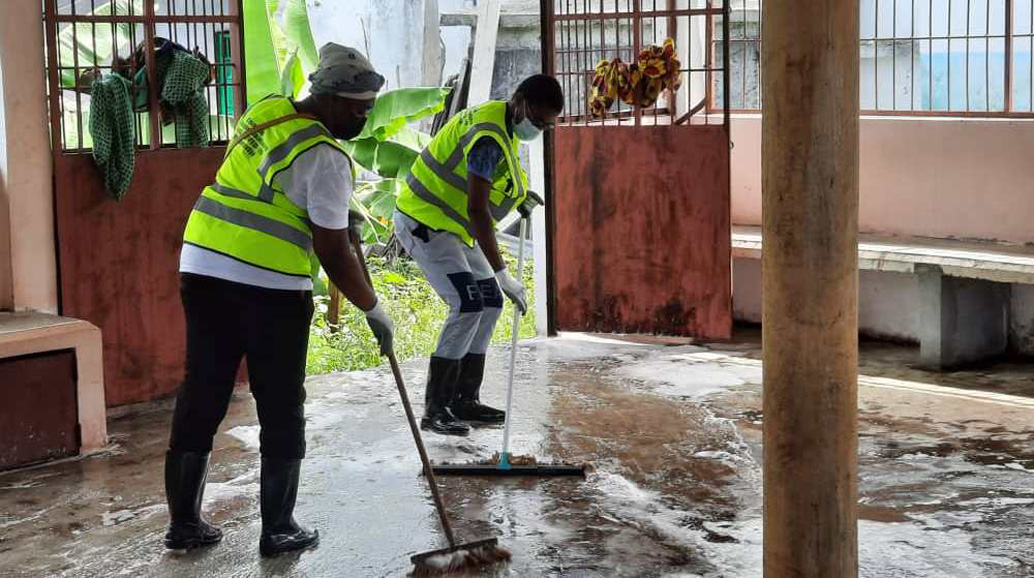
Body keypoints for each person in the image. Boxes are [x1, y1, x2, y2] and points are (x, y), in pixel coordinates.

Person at [164, 43, 394, 557]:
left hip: (201, 265)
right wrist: (373, 307)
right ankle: (279, 529)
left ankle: (184, 527)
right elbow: (332, 251)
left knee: (202, 392)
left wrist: (334, 213)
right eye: (357, 107)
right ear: (331, 98)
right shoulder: (328, 157)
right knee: (281, 405)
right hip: (268, 287)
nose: (363, 116)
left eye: (369, 107)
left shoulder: (266, 109)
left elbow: (265, 184)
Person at [393, 74, 563, 436]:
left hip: (451, 229)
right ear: (519, 101)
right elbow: (477, 208)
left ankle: (464, 399)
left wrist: (520, 198)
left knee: (490, 304)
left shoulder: (502, 123)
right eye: (536, 119)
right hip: (424, 222)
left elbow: (492, 184)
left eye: (546, 125)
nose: (538, 127)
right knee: (468, 303)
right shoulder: (488, 135)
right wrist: (502, 273)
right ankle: (435, 408)